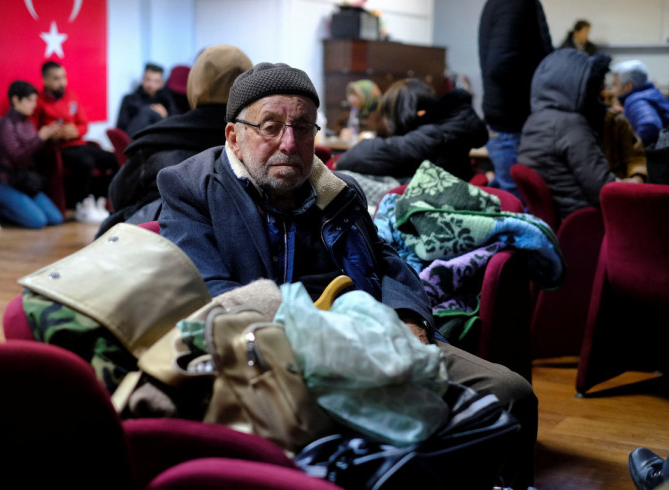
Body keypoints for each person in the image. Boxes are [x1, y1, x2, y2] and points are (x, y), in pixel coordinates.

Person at [156, 62, 538, 489]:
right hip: (272, 354)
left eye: (303, 128)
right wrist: (313, 342)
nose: (289, 143)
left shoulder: (336, 191)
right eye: (270, 127)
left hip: (375, 339)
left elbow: (385, 258)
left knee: (510, 392)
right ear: (234, 136)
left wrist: (408, 314)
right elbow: (212, 292)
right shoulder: (191, 189)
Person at [96, 44, 252, 236]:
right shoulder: (263, 140)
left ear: (195, 83)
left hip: (163, 246)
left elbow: (118, 195)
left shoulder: (157, 139)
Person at [517, 50, 638, 220]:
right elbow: (603, 189)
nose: (599, 94)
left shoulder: (534, 120)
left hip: (559, 222)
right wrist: (632, 187)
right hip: (586, 222)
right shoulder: (570, 125)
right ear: (572, 84)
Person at [335, 78, 488, 183]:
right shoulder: (447, 126)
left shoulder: (433, 134)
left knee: (348, 180)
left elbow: (355, 157)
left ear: (401, 114)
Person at [478, 0, 553, 202]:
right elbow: (500, 66)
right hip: (512, 122)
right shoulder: (515, 3)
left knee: (512, 199)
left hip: (506, 120)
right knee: (519, 206)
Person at [32, 61, 119, 220]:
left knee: (113, 159)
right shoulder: (38, 101)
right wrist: (53, 133)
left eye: (64, 77)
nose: (62, 82)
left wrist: (75, 131)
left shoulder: (71, 96)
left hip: (79, 143)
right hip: (58, 149)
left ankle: (100, 200)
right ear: (46, 80)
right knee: (86, 162)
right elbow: (33, 133)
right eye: (57, 79)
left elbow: (84, 125)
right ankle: (81, 205)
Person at [0, 80, 63, 229]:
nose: (34, 105)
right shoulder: (5, 125)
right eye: (30, 100)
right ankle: (0, 210)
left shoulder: (28, 124)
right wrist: (41, 137)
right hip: (6, 182)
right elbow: (17, 157)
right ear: (16, 100)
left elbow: (35, 154)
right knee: (38, 221)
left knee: (55, 218)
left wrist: (51, 139)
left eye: (35, 100)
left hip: (25, 182)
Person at [611, 59, 669, 148]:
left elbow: (650, 125)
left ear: (628, 86)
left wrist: (630, 148)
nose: (612, 91)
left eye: (615, 85)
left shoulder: (635, 100)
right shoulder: (652, 93)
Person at [116, 62, 178, 137]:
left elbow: (176, 121)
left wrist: (165, 114)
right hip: (136, 137)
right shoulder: (130, 99)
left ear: (161, 83)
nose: (151, 84)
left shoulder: (166, 99)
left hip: (158, 139)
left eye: (156, 81)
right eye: (148, 79)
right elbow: (121, 127)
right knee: (147, 111)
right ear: (142, 79)